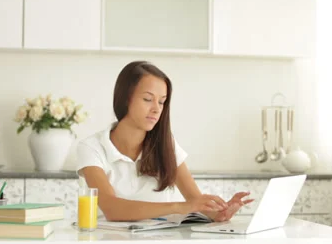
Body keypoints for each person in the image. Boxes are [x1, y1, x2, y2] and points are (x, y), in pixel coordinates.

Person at [75, 60, 253, 222]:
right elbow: (113, 209)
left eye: (162, 102)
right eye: (147, 99)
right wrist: (179, 206)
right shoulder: (91, 148)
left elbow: (196, 202)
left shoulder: (167, 145)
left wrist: (221, 212)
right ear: (125, 98)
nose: (156, 109)